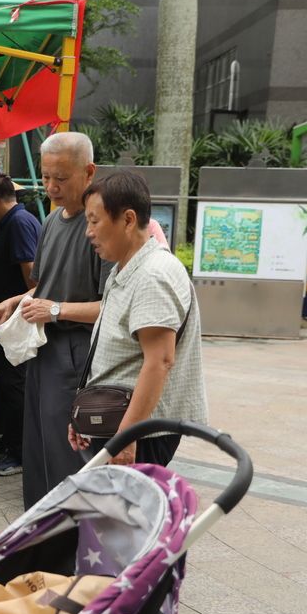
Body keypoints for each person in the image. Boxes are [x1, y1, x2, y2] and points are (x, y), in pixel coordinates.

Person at [0, 132, 112, 510]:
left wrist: (55, 309)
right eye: (45, 177)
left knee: (68, 449)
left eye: (62, 177)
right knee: (38, 445)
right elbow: (42, 287)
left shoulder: (101, 227)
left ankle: (70, 532)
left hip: (78, 351)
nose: (51, 187)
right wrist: (11, 301)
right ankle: (40, 527)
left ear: (89, 172)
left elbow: (115, 305)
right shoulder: (53, 220)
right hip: (42, 347)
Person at [68, 170, 206, 465]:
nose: (88, 232)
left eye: (94, 221)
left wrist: (126, 437)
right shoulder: (125, 269)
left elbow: (160, 361)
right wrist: (85, 415)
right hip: (117, 420)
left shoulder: (154, 275)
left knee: (128, 510)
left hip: (140, 432)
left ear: (128, 220)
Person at [0, 173, 41, 477]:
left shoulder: (19, 223)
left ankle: (19, 452)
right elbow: (7, 270)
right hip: (1, 316)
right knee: (5, 380)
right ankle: (8, 442)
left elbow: (33, 282)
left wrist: (8, 304)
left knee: (15, 383)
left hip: (15, 318)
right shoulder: (9, 222)